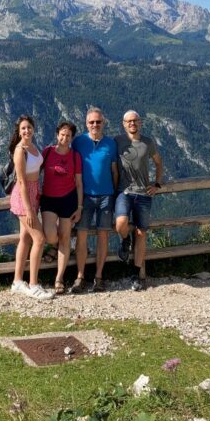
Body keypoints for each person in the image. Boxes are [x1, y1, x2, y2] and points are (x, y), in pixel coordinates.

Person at [71, 107, 118, 293]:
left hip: (106, 195)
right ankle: (80, 276)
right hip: (84, 197)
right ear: (86, 124)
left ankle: (98, 276)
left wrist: (113, 192)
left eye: (98, 122)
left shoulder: (111, 144)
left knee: (103, 236)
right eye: (91, 122)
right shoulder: (78, 142)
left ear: (103, 123)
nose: (95, 125)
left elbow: (114, 170)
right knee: (81, 236)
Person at [115, 110, 163, 291]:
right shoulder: (117, 141)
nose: (132, 124)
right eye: (129, 121)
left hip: (143, 193)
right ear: (123, 123)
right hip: (124, 192)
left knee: (142, 234)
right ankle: (125, 239)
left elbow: (158, 162)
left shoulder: (148, 142)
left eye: (135, 121)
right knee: (120, 223)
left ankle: (136, 274)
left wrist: (157, 184)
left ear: (140, 123)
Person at [7, 115, 53, 300]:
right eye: (23, 129)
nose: (27, 131)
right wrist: (29, 210)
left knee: (25, 239)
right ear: (19, 132)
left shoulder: (33, 147)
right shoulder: (20, 150)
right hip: (23, 197)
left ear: (33, 129)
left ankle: (17, 282)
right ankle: (33, 284)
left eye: (29, 127)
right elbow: (21, 182)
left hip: (34, 194)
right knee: (40, 239)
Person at [40, 121, 83, 295]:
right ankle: (54, 246)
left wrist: (79, 207)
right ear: (57, 135)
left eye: (68, 135)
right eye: (62, 134)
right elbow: (35, 171)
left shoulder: (75, 156)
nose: (65, 138)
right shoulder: (48, 152)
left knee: (65, 238)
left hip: (68, 199)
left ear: (72, 138)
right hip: (49, 199)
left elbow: (79, 183)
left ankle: (59, 278)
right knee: (50, 235)